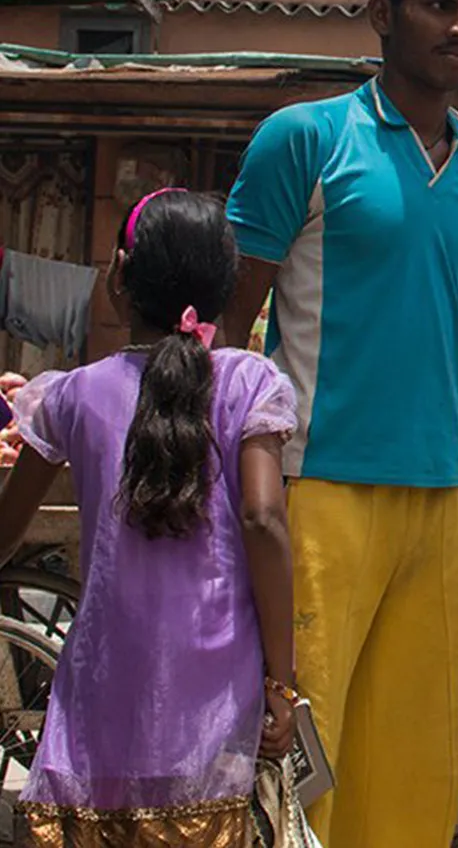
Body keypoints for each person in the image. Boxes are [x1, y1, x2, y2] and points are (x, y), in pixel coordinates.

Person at [221, 0, 458, 847]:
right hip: (316, 488)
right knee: (302, 750)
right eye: (439, 5)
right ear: (383, 15)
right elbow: (228, 332)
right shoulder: (303, 140)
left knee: (417, 760)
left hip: (438, 498)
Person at [0, 189, 299, 843]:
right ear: (224, 287)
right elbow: (263, 521)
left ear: (120, 274)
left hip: (103, 707)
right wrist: (284, 680)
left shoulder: (71, 395)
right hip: (214, 719)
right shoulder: (249, 384)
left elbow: (6, 530)